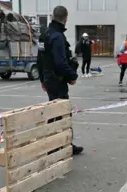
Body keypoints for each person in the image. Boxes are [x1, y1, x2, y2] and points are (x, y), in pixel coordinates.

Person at [37, 5, 83, 155]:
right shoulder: (57, 36)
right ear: (65, 18)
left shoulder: (45, 34)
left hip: (49, 78)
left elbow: (39, 59)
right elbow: (60, 62)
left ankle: (61, 144)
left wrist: (42, 79)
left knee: (55, 113)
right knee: (61, 113)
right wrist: (72, 76)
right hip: (57, 80)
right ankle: (59, 146)